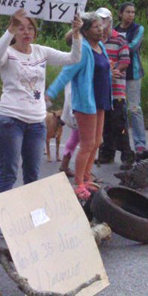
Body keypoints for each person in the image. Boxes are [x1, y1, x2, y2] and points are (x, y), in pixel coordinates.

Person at [0, 9, 81, 238]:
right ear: (14, 30)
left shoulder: (41, 52)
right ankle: (3, 223)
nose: (26, 32)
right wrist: (8, 30)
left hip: (36, 122)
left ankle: (36, 219)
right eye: (21, 27)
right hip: (10, 120)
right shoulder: (8, 53)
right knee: (8, 173)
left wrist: (77, 34)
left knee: (32, 173)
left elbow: (73, 58)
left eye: (30, 27)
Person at [46, 11, 113, 200]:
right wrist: (50, 93)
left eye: (102, 25)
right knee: (87, 144)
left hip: (101, 100)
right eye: (96, 26)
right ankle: (79, 183)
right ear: (85, 30)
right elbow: (66, 73)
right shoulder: (82, 49)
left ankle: (86, 176)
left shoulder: (100, 45)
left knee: (98, 141)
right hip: (86, 103)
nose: (101, 29)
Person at [95, 7, 133, 167]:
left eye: (104, 21)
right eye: (99, 21)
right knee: (105, 123)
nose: (102, 24)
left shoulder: (119, 39)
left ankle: (127, 156)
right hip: (102, 88)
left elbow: (125, 60)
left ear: (110, 22)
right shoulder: (95, 40)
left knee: (119, 123)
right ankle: (106, 153)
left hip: (116, 88)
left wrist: (114, 70)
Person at [115, 2, 147, 153]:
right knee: (120, 111)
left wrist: (118, 45)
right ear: (120, 13)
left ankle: (140, 143)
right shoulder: (114, 29)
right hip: (117, 73)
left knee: (134, 109)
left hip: (132, 74)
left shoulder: (138, 29)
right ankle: (124, 145)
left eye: (133, 12)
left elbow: (133, 47)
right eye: (128, 12)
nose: (131, 15)